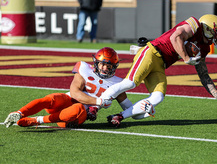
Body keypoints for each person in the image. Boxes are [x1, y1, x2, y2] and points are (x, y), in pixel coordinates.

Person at [100, 14, 217, 127]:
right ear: (208, 28)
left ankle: (118, 116)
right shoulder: (194, 25)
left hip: (161, 64)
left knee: (158, 97)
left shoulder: (204, 48)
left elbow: (203, 74)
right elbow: (175, 37)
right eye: (216, 31)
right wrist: (186, 58)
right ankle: (97, 105)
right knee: (130, 83)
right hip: (152, 52)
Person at [4, 47, 133, 128]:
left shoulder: (118, 83)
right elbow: (75, 92)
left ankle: (37, 120)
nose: (105, 68)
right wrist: (99, 102)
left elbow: (128, 108)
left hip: (78, 114)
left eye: (109, 66)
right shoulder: (84, 68)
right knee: (52, 98)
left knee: (76, 110)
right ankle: (18, 113)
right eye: (102, 64)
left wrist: (122, 115)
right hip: (68, 101)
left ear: (114, 67)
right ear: (95, 63)